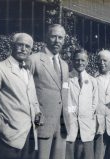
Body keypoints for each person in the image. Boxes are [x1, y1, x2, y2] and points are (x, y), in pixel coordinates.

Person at [0, 33, 42, 159]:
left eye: (27, 46)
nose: (24, 49)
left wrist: (38, 119)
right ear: (12, 46)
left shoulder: (28, 72)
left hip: (28, 139)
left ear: (31, 50)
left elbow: (34, 102)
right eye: (20, 45)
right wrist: (2, 128)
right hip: (6, 140)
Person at [27, 24, 70, 159]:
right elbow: (25, 92)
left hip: (62, 125)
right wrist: (35, 121)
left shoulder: (64, 65)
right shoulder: (34, 59)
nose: (57, 40)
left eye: (60, 38)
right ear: (47, 37)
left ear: (64, 40)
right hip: (41, 123)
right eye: (53, 36)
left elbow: (65, 93)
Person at [65, 49, 98, 159]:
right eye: (77, 60)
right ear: (73, 61)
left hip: (86, 126)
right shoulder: (66, 79)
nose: (80, 63)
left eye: (83, 60)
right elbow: (63, 100)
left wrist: (85, 113)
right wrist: (73, 111)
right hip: (70, 124)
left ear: (87, 62)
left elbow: (94, 104)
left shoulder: (92, 81)